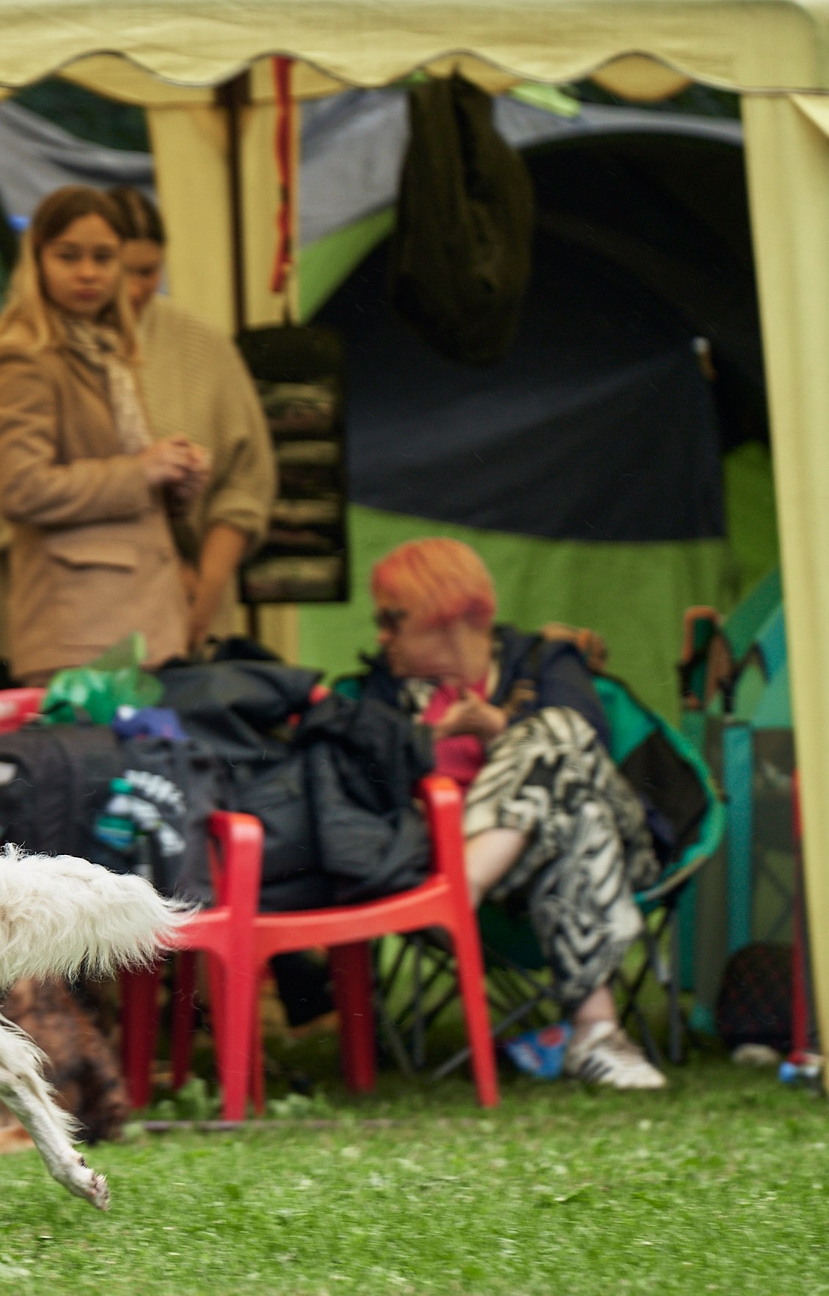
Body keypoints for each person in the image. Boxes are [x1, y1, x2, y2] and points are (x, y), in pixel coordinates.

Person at [348, 538, 668, 1089]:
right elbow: (367, 781)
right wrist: (421, 744)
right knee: (579, 818)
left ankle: (463, 882)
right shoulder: (383, 690)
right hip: (481, 861)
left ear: (446, 614)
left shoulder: (544, 660)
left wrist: (496, 729)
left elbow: (586, 747)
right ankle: (597, 1032)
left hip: (614, 850)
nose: (381, 634)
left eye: (392, 618)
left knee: (562, 735)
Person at [0, 185, 209, 683]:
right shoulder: (22, 357)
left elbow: (126, 496)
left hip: (140, 625)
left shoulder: (109, 353)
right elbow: (22, 490)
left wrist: (175, 483)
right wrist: (143, 470)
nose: (87, 273)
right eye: (68, 256)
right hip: (81, 633)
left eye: (103, 258)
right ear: (36, 261)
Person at [105, 186, 276, 652]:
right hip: (83, 616)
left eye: (149, 272)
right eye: (123, 272)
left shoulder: (203, 346)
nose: (138, 288)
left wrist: (208, 584)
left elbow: (246, 482)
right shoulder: (41, 352)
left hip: (194, 620)